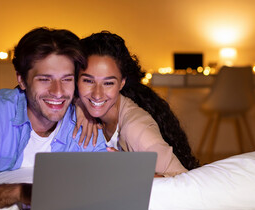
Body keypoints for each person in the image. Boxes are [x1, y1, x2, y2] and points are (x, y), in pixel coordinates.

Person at [0, 27, 107, 210]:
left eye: (66, 79)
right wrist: (20, 193)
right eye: (44, 79)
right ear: (22, 80)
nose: (58, 92)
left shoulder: (85, 124)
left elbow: (105, 185)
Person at [76, 31, 199, 177]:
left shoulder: (136, 130)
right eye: (88, 81)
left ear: (122, 83)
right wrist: (79, 105)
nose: (97, 94)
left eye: (108, 83)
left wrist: (130, 170)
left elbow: (182, 182)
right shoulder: (84, 107)